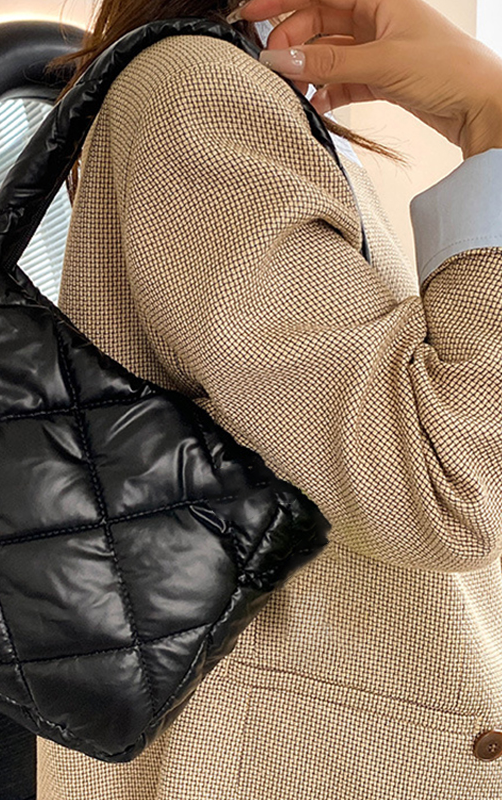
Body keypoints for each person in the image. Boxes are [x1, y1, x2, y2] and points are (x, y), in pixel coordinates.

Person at [37, 0, 502, 796]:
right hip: (292, 756)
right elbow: (443, 486)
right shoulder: (198, 91)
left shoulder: (234, 89)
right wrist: (491, 121)